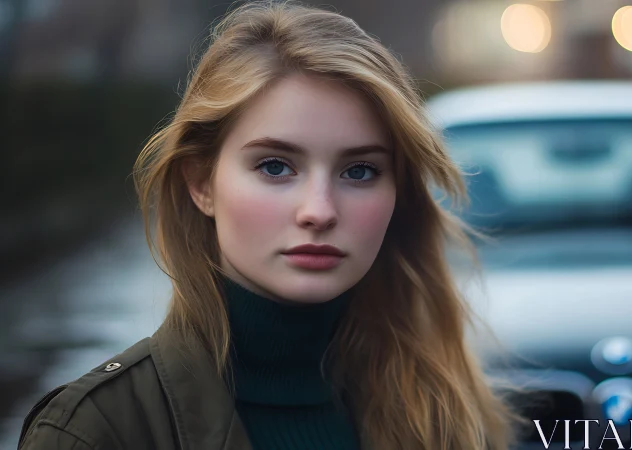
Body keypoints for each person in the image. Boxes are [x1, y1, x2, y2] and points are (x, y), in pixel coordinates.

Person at [17, 2, 519, 449]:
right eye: (275, 166)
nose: (319, 210)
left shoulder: (449, 413)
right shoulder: (96, 431)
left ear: (398, 195)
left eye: (359, 171)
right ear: (201, 182)